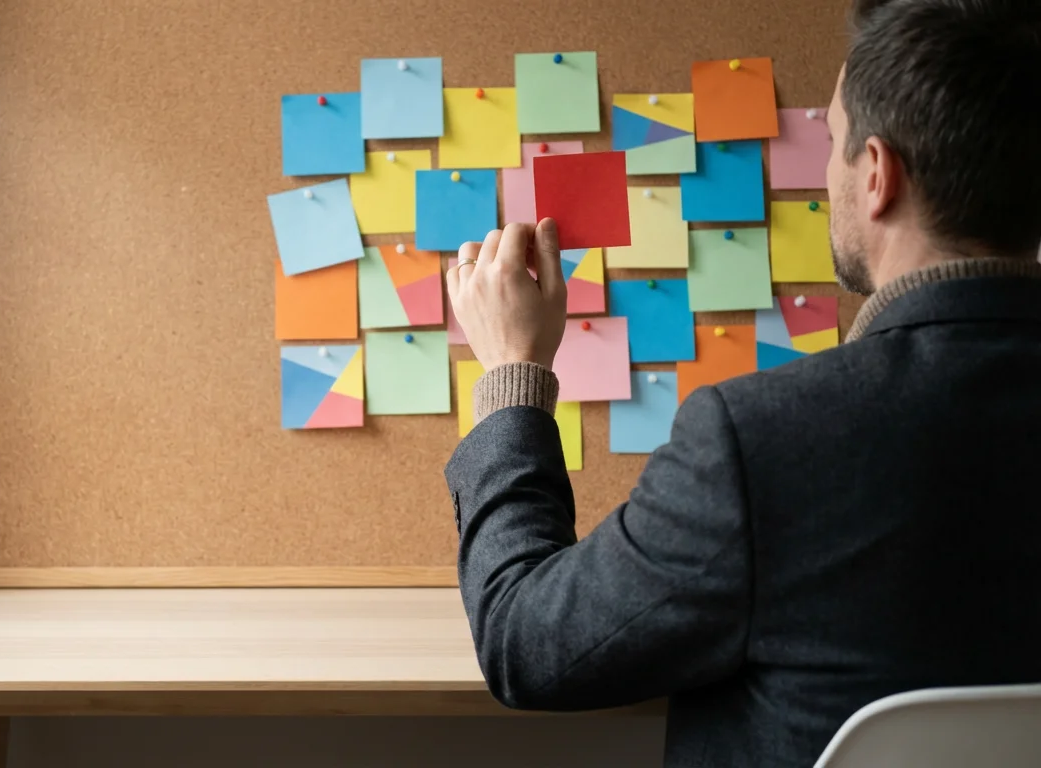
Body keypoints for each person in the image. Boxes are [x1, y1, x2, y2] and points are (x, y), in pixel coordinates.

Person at [443, 0, 1041, 765]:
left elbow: (527, 642)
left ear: (878, 174)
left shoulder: (766, 440)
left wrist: (514, 375)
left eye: (831, 140)